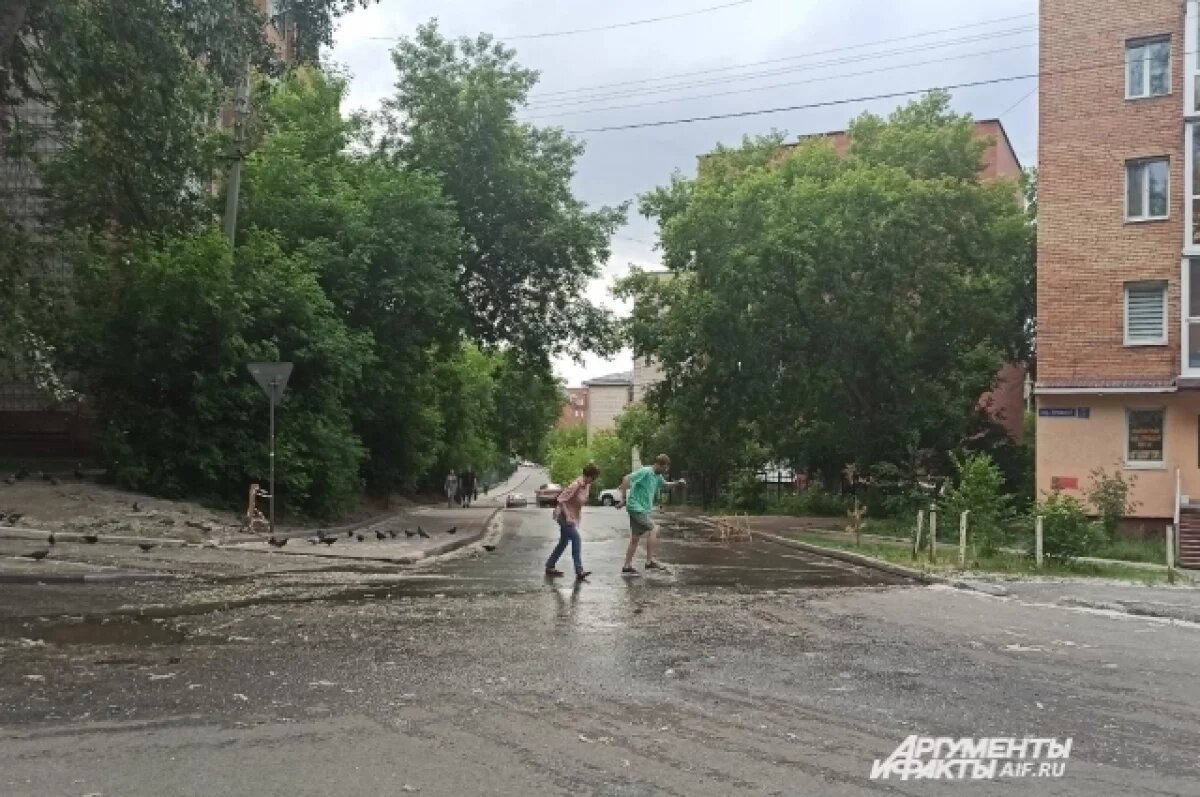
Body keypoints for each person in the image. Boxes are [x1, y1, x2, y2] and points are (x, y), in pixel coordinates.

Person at [619, 454, 685, 575]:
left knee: (635, 538)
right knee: (654, 528)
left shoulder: (657, 476)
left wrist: (677, 483)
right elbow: (626, 478)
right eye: (664, 469)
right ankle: (649, 561)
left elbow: (665, 485)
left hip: (641, 509)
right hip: (636, 507)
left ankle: (626, 566)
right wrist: (623, 499)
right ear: (659, 464)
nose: (665, 472)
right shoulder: (646, 471)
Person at [546, 462, 599, 581]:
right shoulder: (576, 485)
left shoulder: (587, 486)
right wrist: (568, 516)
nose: (594, 480)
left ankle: (550, 566)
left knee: (563, 542)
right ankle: (579, 571)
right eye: (593, 477)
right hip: (563, 516)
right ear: (588, 475)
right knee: (576, 539)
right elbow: (561, 500)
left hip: (572, 517)